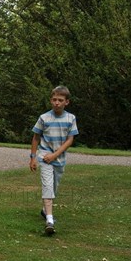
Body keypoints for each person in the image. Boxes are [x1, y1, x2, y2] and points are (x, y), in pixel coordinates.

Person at [29, 85, 79, 235]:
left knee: (54, 187)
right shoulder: (44, 118)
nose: (57, 103)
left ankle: (45, 210)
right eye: (54, 99)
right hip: (44, 156)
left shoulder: (71, 119)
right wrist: (33, 158)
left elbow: (70, 140)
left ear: (66, 102)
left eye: (60, 100)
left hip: (59, 159)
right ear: (51, 100)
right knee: (47, 185)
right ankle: (49, 220)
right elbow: (36, 137)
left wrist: (55, 155)